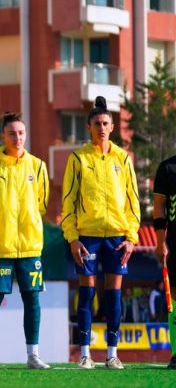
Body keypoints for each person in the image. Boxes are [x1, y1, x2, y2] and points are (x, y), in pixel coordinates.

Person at [62, 96, 140, 370]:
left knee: (114, 296)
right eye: (97, 123)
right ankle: (85, 353)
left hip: (118, 237)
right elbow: (68, 201)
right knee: (87, 294)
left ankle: (112, 353)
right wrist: (72, 237)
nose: (102, 127)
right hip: (88, 238)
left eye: (106, 123)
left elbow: (133, 201)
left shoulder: (123, 158)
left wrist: (131, 237)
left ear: (113, 126)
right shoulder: (78, 158)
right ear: (89, 126)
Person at [0, 112, 50, 370]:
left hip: (29, 246)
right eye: (12, 133)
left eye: (21, 133)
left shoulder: (37, 166)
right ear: (2, 136)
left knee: (32, 299)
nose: (18, 138)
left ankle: (33, 356)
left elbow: (42, 203)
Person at [151, 151, 176, 368]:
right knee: (175, 298)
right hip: (175, 241)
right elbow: (159, 206)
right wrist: (161, 242)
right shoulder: (167, 168)